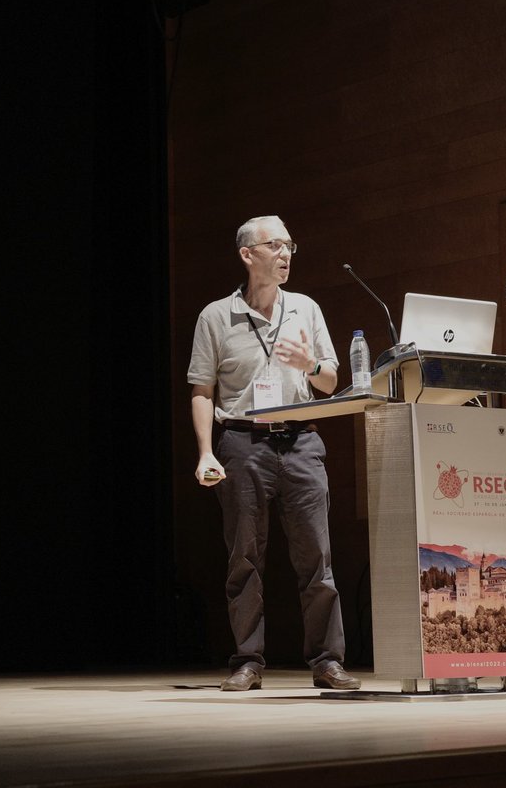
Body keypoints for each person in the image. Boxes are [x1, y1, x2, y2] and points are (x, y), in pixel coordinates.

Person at [186, 215, 361, 692]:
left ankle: (327, 661)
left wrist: (309, 364)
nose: (286, 255)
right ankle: (247, 660)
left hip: (302, 441)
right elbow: (202, 390)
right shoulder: (216, 317)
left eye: (290, 246)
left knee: (317, 558)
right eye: (275, 245)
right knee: (244, 557)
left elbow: (328, 381)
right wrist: (205, 452)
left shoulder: (305, 308)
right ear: (248, 255)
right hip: (242, 443)